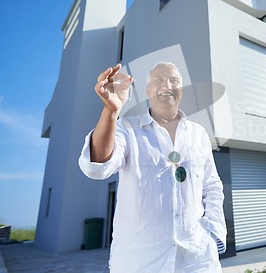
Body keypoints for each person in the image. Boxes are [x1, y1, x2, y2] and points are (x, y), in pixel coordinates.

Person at [79, 62, 226, 273]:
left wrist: (213, 233)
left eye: (174, 80)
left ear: (181, 91)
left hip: (197, 261)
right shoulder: (127, 129)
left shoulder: (199, 133)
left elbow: (211, 185)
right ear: (147, 90)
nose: (167, 85)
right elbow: (97, 166)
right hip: (138, 263)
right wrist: (112, 111)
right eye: (159, 80)